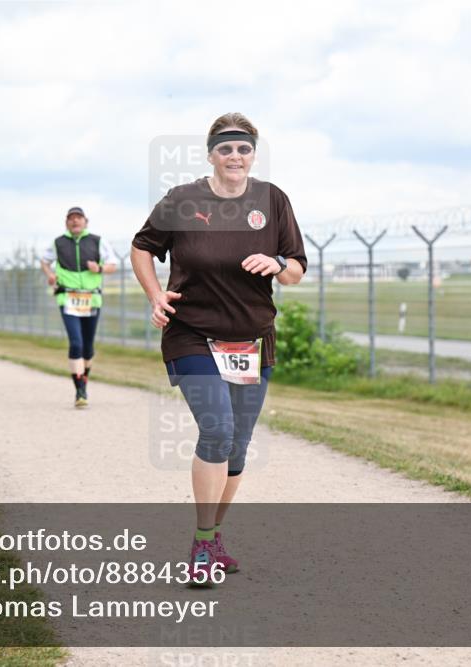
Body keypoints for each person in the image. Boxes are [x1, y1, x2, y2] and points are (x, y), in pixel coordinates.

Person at [131, 113, 306, 586]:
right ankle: (203, 544)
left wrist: (277, 262)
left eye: (244, 149)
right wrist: (155, 294)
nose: (235, 156)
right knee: (218, 428)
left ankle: (211, 536)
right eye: (226, 148)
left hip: (252, 338)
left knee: (237, 447)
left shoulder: (272, 200)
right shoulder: (182, 200)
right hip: (191, 333)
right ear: (210, 154)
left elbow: (295, 270)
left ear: (253, 154)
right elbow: (142, 246)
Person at [40, 206, 119, 407]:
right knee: (76, 343)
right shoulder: (58, 243)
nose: (75, 221)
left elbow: (113, 265)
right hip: (67, 298)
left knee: (88, 346)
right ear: (66, 222)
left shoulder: (97, 241)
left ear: (86, 221)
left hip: (91, 299)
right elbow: (44, 261)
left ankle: (84, 379)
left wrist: (99, 268)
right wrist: (50, 275)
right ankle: (80, 390)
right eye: (71, 218)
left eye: (78, 218)